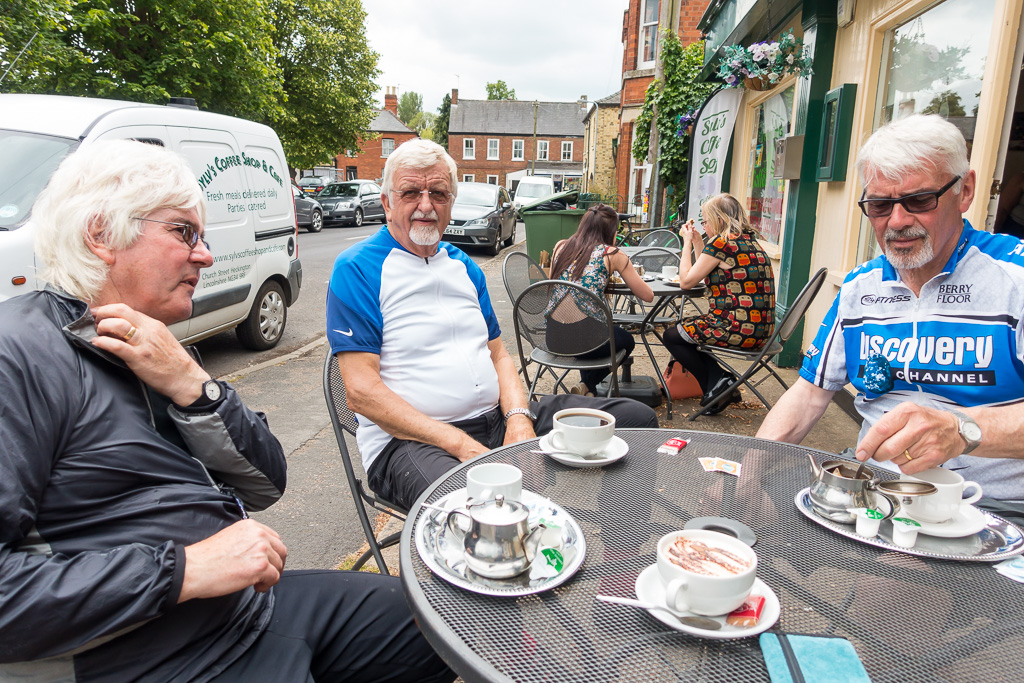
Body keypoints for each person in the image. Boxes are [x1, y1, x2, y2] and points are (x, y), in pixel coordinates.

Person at [0, 140, 453, 683]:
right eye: (184, 232)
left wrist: (195, 386)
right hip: (149, 656)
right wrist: (185, 569)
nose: (205, 255)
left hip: (245, 611)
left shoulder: (159, 347)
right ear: (100, 235)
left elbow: (266, 480)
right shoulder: (19, 354)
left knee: (444, 624)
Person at [327, 139, 658, 511]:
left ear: (451, 203)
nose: (426, 205)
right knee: (480, 504)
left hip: (497, 419)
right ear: (387, 203)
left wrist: (518, 418)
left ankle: (620, 537)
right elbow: (361, 391)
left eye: (438, 193)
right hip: (410, 443)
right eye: (410, 193)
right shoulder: (358, 268)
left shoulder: (463, 266)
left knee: (636, 420)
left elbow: (498, 355)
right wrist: (460, 444)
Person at [757, 114, 1024, 519]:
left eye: (920, 200)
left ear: (965, 191)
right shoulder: (860, 286)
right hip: (873, 491)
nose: (896, 222)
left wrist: (963, 429)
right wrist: (745, 472)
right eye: (880, 205)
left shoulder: (1014, 277)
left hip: (990, 506)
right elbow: (810, 394)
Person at [662, 193, 776, 414]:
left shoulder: (722, 243)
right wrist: (699, 242)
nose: (703, 226)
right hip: (763, 331)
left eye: (705, 221)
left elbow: (686, 281)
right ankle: (719, 385)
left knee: (672, 336)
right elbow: (706, 271)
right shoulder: (751, 241)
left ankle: (717, 384)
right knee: (686, 331)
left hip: (735, 329)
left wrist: (686, 243)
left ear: (719, 220)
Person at [547, 203, 654, 395]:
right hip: (588, 343)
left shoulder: (560, 246)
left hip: (554, 338)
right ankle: (588, 385)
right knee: (626, 340)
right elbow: (648, 296)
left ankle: (588, 391)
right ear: (610, 231)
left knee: (590, 328)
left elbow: (554, 285)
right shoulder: (611, 254)